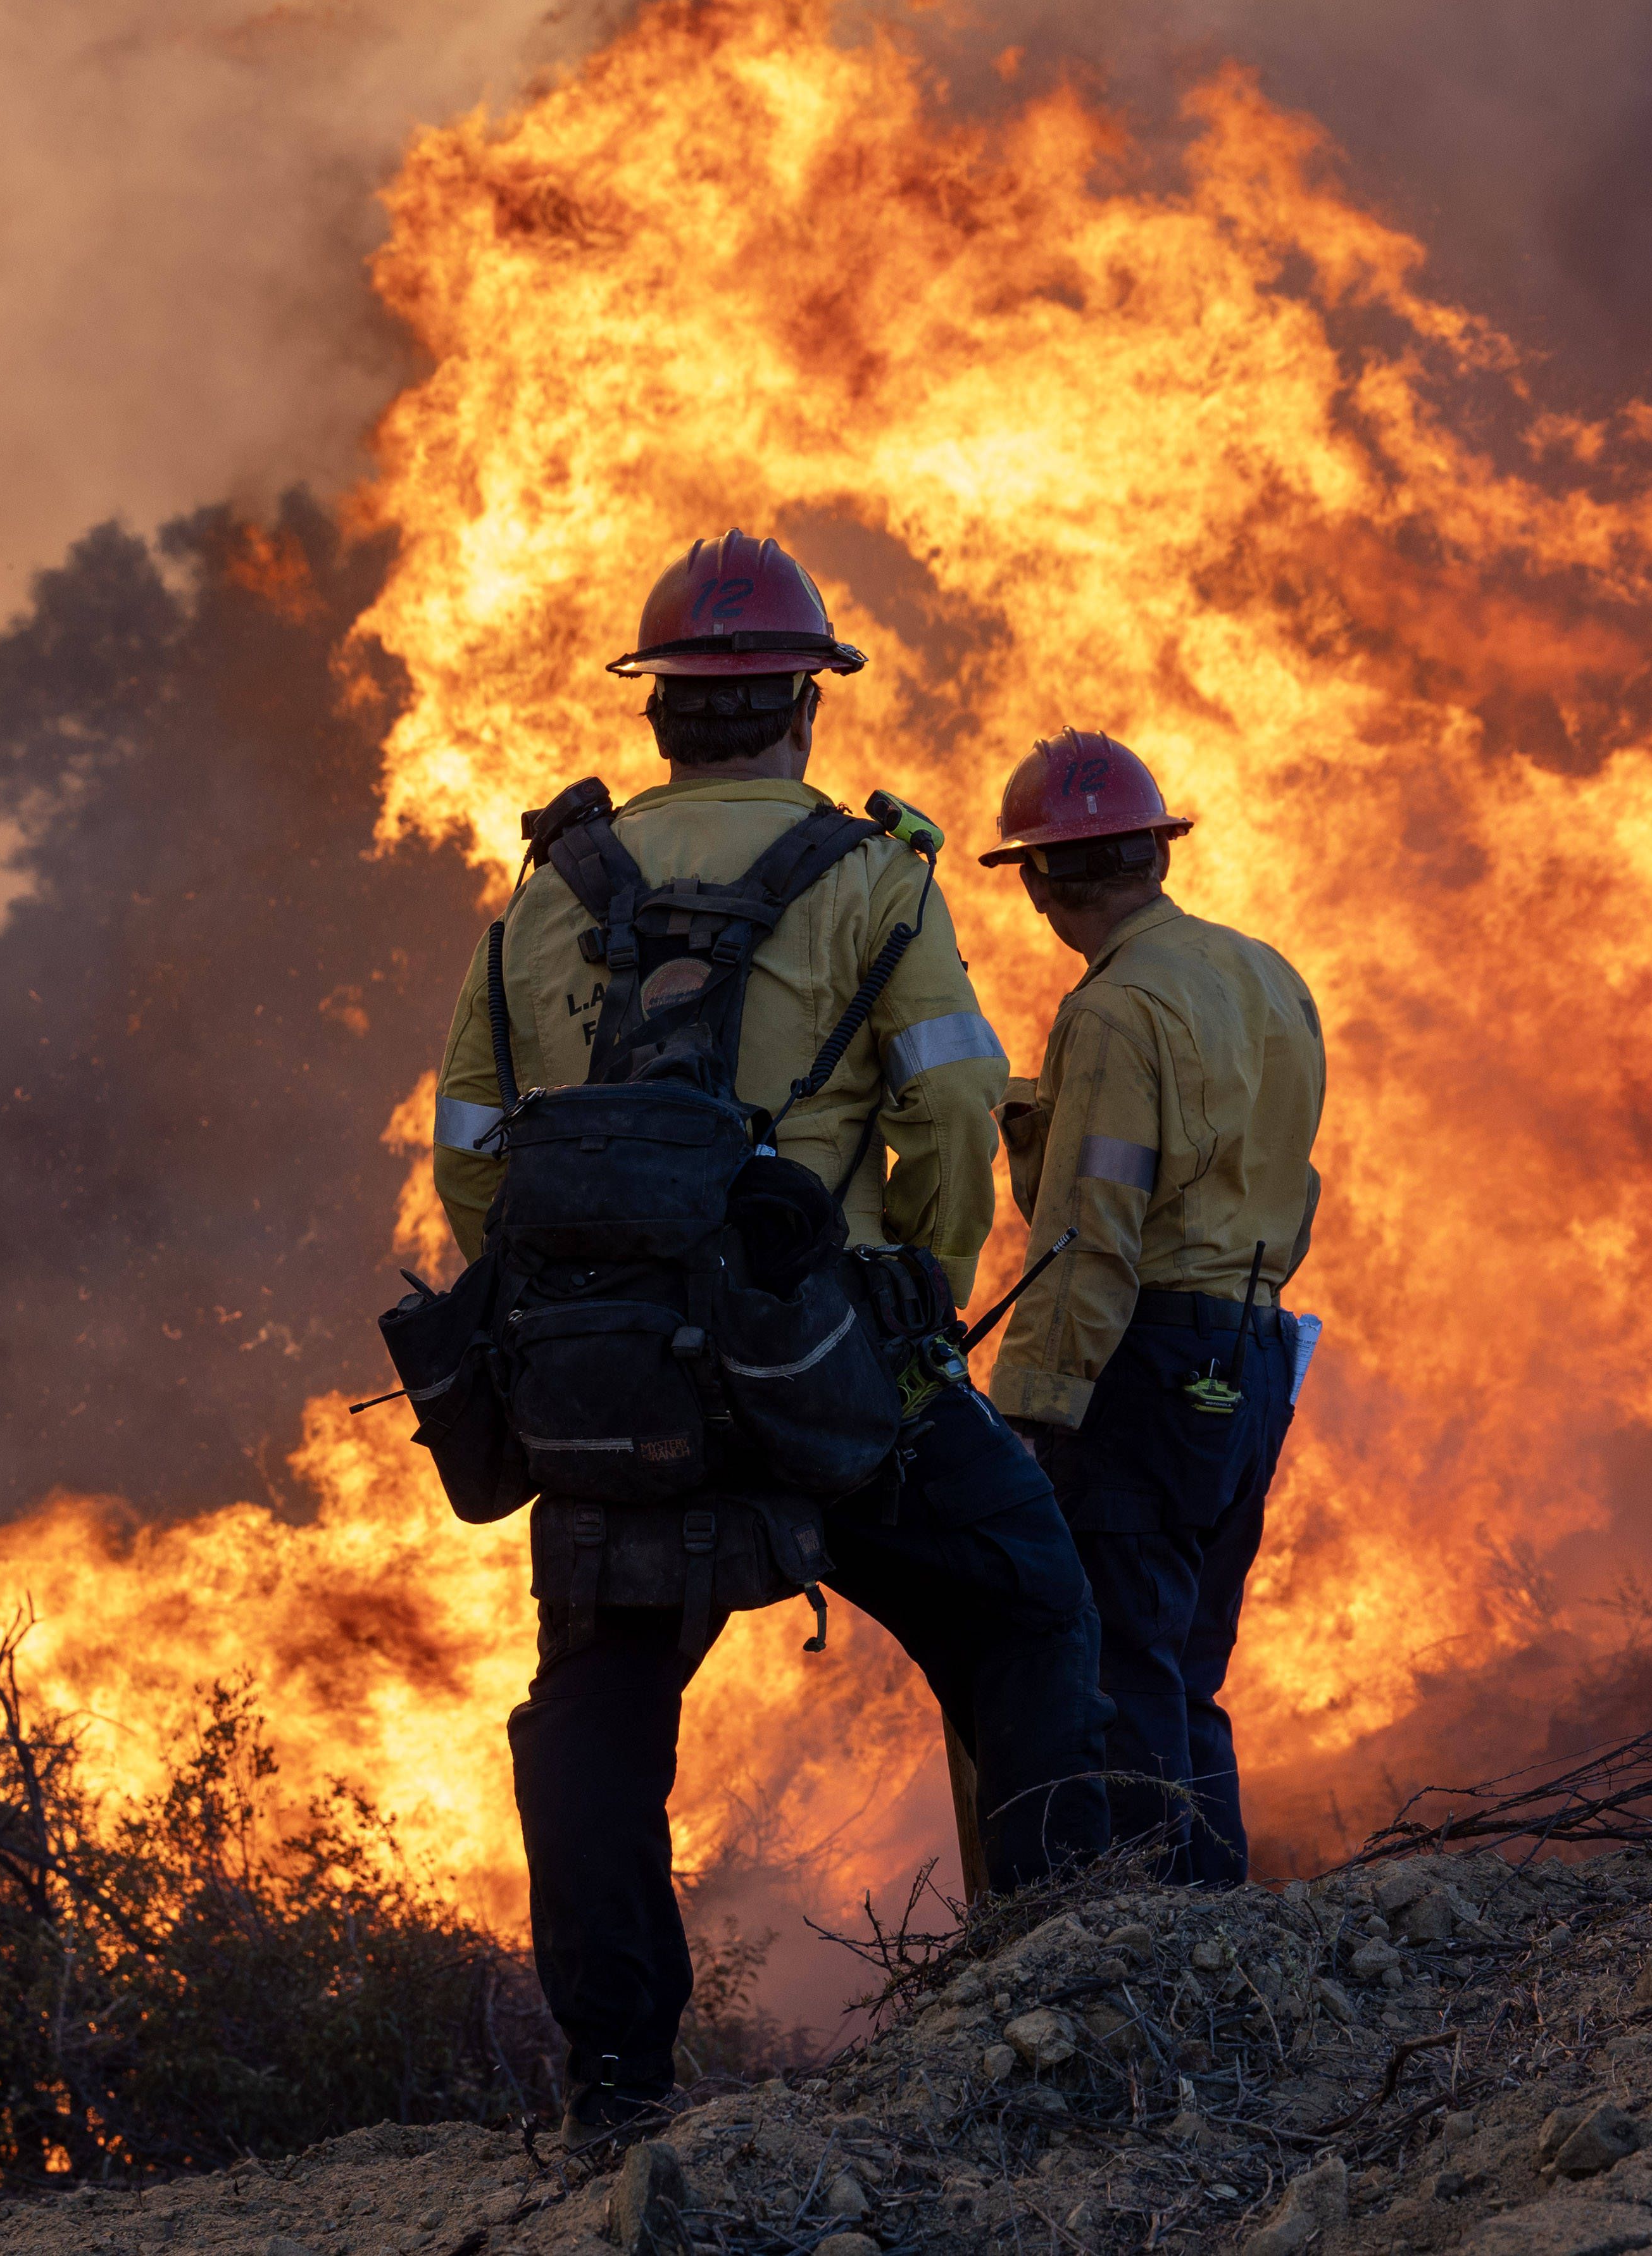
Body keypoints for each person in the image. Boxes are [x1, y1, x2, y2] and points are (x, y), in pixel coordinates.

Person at [427, 534, 1111, 2138]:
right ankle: (1056, 2005)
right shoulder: (874, 878)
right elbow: (953, 1102)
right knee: (1028, 1607)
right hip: (828, 1371)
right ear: (806, 705)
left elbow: (467, 1145)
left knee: (596, 1713)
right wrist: (919, 1292)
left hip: (611, 1386)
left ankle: (617, 2085)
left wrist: (579, 1308)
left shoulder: (548, 889)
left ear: (660, 711)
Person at [983, 732, 1325, 1886]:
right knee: (1186, 1671)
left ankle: (1153, 1942)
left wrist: (1033, 1408)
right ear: (1158, 854)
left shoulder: (1115, 1012)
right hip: (1255, 1352)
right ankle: (1216, 1938)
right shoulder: (1267, 973)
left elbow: (1093, 1234)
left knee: (1123, 1665)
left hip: (1148, 1362)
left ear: (1037, 882)